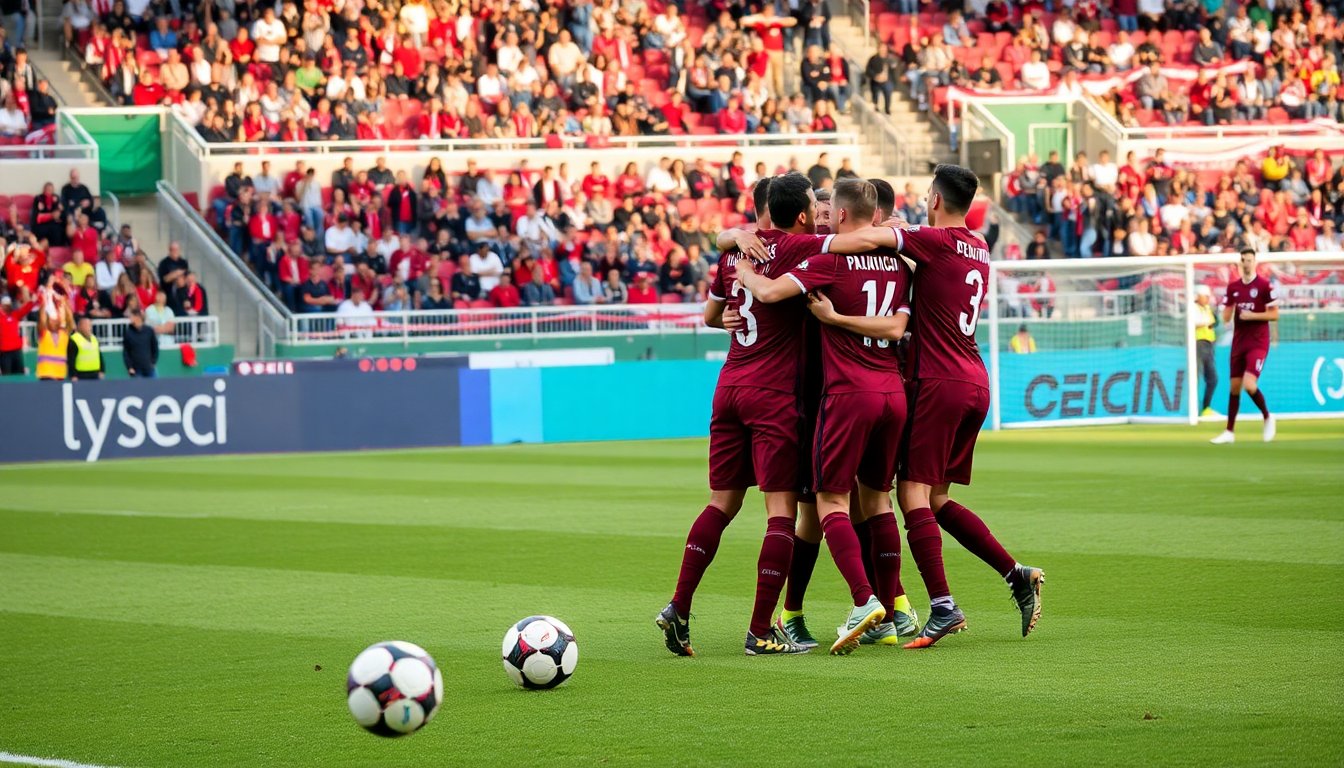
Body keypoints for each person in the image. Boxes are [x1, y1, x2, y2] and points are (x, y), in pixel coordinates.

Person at [811, 164, 1045, 646]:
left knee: (911, 494)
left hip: (938, 381)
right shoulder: (978, 244)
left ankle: (941, 605)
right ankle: (1014, 573)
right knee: (937, 498)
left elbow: (865, 234)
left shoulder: (933, 241)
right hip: (975, 379)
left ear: (935, 200)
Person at [657, 172, 879, 658]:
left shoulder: (737, 250)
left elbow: (711, 316)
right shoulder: (807, 248)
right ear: (803, 214)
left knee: (721, 503)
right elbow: (857, 237)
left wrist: (731, 237)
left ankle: (679, 606)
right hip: (774, 397)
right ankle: (761, 631)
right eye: (812, 206)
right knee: (781, 512)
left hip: (729, 386)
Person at [733, 178, 917, 650]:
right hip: (836, 392)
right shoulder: (892, 258)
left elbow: (770, 293)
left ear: (839, 215)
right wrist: (732, 237)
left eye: (826, 211)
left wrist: (743, 271)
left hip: (835, 393)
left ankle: (881, 603)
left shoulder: (823, 256)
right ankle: (804, 612)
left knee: (838, 505)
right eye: (813, 211)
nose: (820, 217)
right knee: (832, 510)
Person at [1211, 250, 1277, 444]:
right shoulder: (1233, 287)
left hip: (1258, 342)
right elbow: (1226, 316)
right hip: (1239, 342)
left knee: (1249, 384)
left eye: (1249, 260)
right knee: (1234, 388)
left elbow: (1274, 315)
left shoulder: (1264, 285)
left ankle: (1267, 417)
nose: (1246, 263)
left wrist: (1253, 316)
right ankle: (1229, 432)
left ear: (1254, 262)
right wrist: (1225, 313)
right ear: (1240, 263)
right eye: (1243, 260)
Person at [35, 285, 73, 381]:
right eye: (51, 320)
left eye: (55, 320)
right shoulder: (44, 333)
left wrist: (64, 303)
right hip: (45, 374)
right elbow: (42, 320)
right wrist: (44, 303)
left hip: (60, 374)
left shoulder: (63, 335)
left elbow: (70, 322)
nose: (54, 321)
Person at [1193, 285, 1219, 416]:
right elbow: (1195, 323)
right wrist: (1207, 321)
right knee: (1195, 378)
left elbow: (1214, 323)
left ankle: (1206, 408)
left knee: (1213, 378)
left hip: (1209, 345)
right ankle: (1193, 409)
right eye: (1205, 296)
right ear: (1197, 296)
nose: (1208, 299)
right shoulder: (1193, 308)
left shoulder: (1208, 309)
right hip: (1198, 344)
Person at [0, 293, 36, 375]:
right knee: (7, 376)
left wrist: (32, 302)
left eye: (8, 305)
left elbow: (24, 310)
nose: (7, 307)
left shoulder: (14, 315)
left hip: (16, 350)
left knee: (19, 374)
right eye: (5, 305)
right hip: (4, 352)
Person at [121, 309, 158, 377]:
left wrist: (153, 362)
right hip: (136, 370)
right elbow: (126, 352)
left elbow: (154, 347)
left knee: (154, 387)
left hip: (149, 368)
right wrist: (129, 367)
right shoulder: (128, 333)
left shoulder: (149, 331)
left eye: (132, 317)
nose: (130, 319)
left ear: (138, 317)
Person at [67, 314, 104, 380]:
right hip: (80, 375)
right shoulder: (74, 340)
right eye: (87, 326)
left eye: (90, 326)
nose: (90, 328)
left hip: (95, 374)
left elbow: (99, 355)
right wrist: (73, 375)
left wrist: (102, 370)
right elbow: (71, 360)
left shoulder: (94, 339)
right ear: (80, 327)